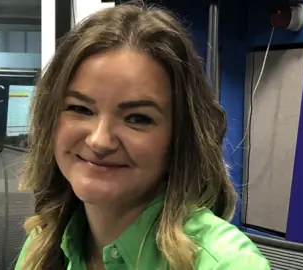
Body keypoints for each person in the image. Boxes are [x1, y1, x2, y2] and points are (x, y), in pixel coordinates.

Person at [15, 3, 270, 270]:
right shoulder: (43, 244)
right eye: (80, 109)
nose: (99, 141)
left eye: (138, 118)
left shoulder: (229, 263)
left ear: (179, 137)